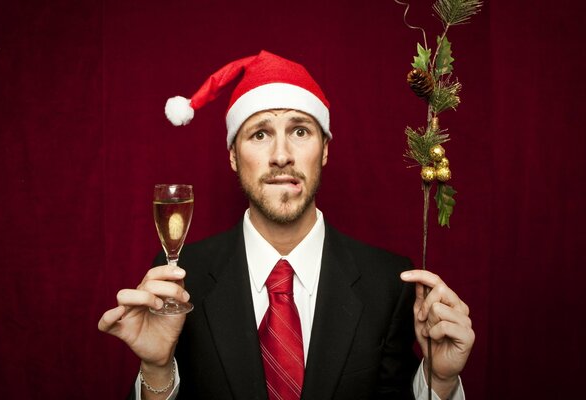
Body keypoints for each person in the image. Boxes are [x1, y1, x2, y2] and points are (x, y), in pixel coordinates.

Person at [98, 50, 474, 400]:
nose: (281, 156)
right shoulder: (179, 282)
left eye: (300, 131)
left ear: (325, 148)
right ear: (232, 155)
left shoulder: (389, 283)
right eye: (260, 134)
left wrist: (439, 382)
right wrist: (157, 368)